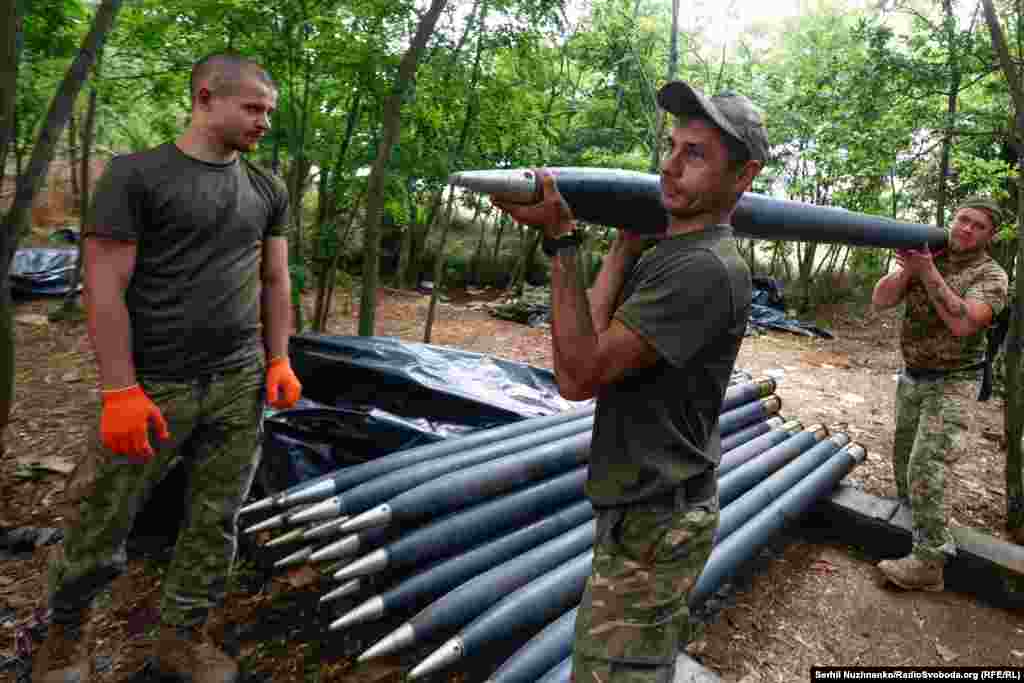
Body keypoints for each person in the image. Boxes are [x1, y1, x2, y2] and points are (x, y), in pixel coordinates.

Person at [31, 52, 302, 683]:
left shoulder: (267, 188)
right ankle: (65, 636)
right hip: (156, 384)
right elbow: (103, 285)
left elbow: (276, 277)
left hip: (238, 384)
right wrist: (119, 388)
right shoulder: (136, 176)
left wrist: (280, 357)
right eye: (253, 108)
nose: (264, 121)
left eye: (269, 111)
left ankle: (183, 637)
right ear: (206, 97)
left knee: (216, 518)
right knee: (108, 514)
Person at [493, 81, 767, 683]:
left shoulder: (703, 270)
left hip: (657, 519)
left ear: (741, 177)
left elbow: (576, 375)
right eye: (670, 147)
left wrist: (562, 241)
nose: (669, 167)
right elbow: (591, 337)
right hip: (642, 506)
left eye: (694, 154)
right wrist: (621, 248)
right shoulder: (670, 252)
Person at [871, 197, 1009, 590]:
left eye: (978, 225)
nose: (966, 229)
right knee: (904, 461)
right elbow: (881, 300)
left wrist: (927, 271)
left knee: (926, 464)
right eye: (962, 220)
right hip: (913, 375)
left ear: (989, 235)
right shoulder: (931, 253)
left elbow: (964, 325)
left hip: (954, 380)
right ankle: (913, 531)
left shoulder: (992, 275)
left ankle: (931, 562)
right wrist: (908, 271)